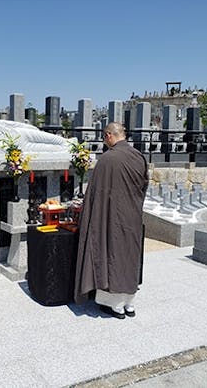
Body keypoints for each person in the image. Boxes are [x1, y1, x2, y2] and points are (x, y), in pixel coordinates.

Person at [74, 122, 148, 319]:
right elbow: (143, 187)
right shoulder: (138, 156)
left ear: (108, 135)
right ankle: (130, 303)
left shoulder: (107, 159)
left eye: (103, 137)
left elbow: (95, 193)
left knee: (112, 254)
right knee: (130, 256)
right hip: (132, 215)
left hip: (111, 217)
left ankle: (114, 305)